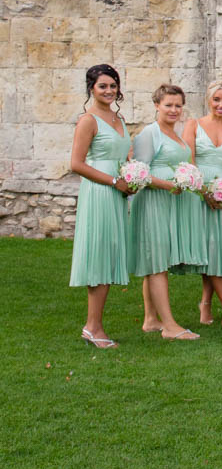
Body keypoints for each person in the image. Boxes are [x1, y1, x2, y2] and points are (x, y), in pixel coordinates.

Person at [127, 83, 201, 340]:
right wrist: (170, 184)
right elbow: (139, 172)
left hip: (171, 202)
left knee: (156, 261)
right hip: (153, 203)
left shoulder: (176, 134)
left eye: (178, 105)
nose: (173, 110)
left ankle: (150, 319)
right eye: (168, 105)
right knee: (156, 262)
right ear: (157, 105)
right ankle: (170, 326)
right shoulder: (150, 133)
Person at [69, 63, 133, 348]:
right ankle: (92, 327)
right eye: (103, 86)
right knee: (98, 255)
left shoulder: (118, 118)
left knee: (109, 254)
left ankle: (95, 325)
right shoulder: (89, 120)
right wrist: (112, 181)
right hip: (99, 193)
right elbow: (76, 164)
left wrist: (132, 176)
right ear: (91, 89)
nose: (109, 91)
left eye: (113, 85)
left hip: (117, 192)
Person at [181, 82, 222, 328]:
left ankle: (206, 302)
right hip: (199, 191)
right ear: (208, 100)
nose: (221, 104)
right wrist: (204, 191)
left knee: (218, 250)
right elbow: (188, 159)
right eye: (216, 99)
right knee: (207, 248)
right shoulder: (193, 125)